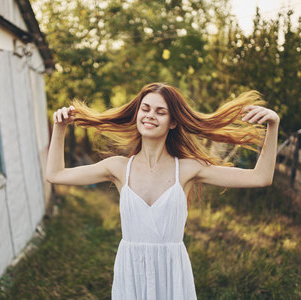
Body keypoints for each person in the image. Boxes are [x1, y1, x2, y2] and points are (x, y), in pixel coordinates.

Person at [46, 82, 280, 300]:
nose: (150, 115)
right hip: (131, 274)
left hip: (173, 274)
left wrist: (273, 124)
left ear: (173, 122)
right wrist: (59, 127)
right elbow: (55, 174)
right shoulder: (118, 167)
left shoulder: (188, 169)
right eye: (145, 109)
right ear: (137, 114)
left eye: (160, 112)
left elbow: (260, 178)